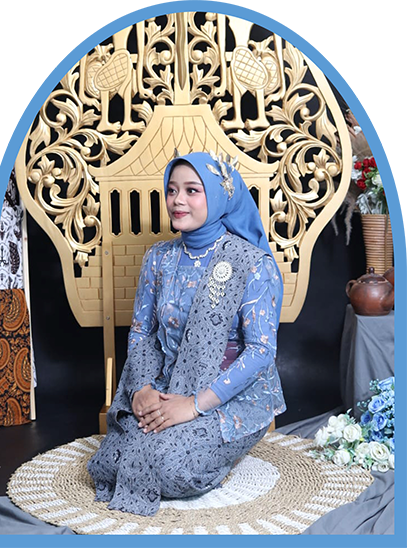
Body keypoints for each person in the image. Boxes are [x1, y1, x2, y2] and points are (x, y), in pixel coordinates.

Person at [87, 151, 286, 516]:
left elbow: (260, 352)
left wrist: (193, 406)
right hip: (167, 385)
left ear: (219, 195)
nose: (178, 200)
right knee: (109, 462)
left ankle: (218, 458)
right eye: (172, 190)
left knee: (169, 468)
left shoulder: (251, 263)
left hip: (230, 401)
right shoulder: (159, 258)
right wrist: (142, 389)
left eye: (192, 190)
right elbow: (142, 331)